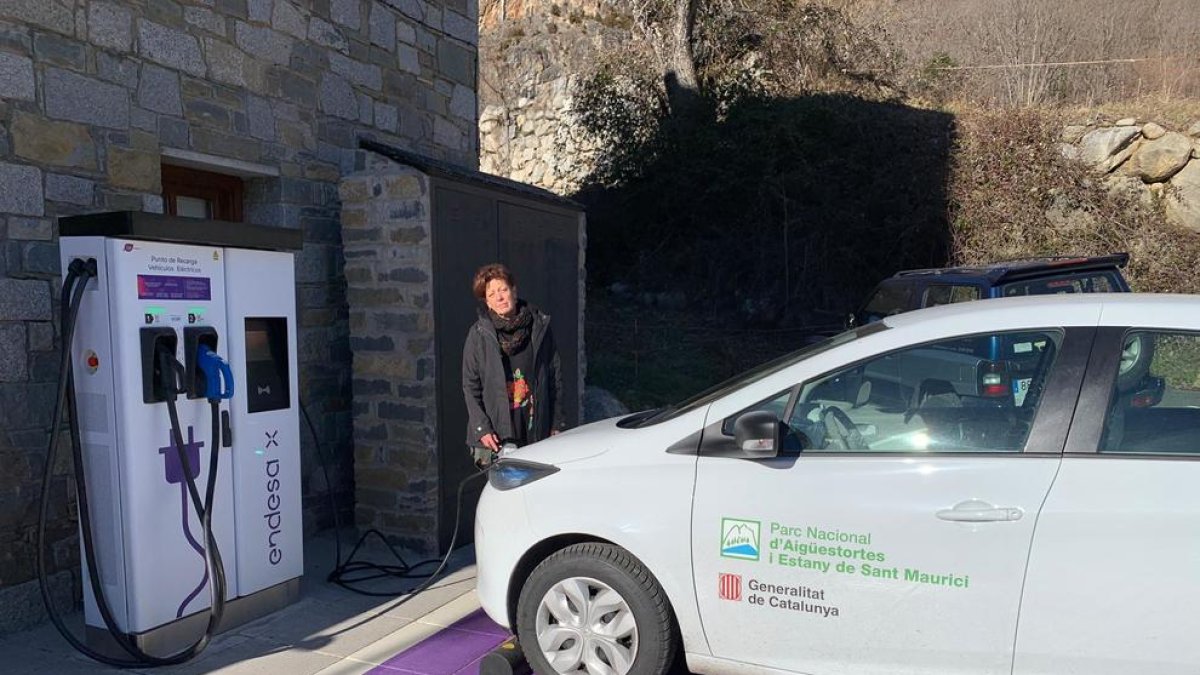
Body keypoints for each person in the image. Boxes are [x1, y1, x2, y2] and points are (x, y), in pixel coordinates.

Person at [463, 263, 565, 467]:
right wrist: (482, 429)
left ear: (514, 290)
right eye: (491, 294)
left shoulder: (539, 327)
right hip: (494, 435)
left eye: (503, 289)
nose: (499, 298)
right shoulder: (478, 335)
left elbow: (555, 377)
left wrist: (557, 423)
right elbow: (470, 386)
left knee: (535, 490)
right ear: (487, 303)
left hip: (535, 429)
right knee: (502, 493)